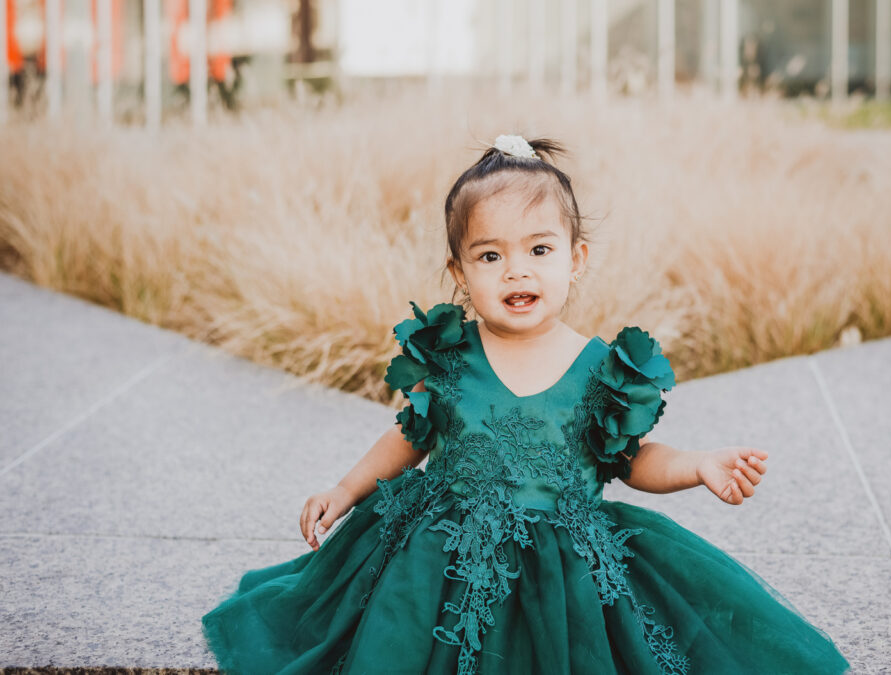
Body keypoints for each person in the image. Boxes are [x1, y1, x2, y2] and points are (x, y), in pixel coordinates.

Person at [201, 134, 851, 674]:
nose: (517, 271)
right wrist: (344, 489)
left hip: (564, 576)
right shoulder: (449, 359)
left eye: (539, 250)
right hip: (436, 562)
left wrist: (698, 466)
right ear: (459, 273)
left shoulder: (603, 370)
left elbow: (632, 459)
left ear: (576, 259)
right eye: (491, 255)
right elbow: (410, 436)